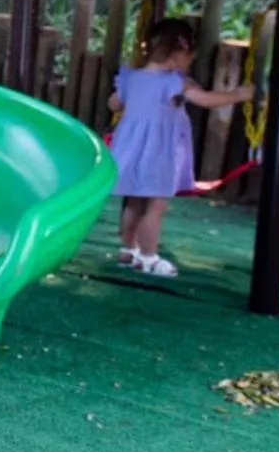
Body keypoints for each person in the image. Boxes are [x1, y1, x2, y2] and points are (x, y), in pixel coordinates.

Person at [106, 17, 254, 278]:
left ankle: (129, 250)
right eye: (189, 58)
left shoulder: (131, 77)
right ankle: (149, 257)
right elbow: (206, 100)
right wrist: (239, 95)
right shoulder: (173, 83)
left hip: (129, 149)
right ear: (178, 55)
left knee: (134, 202)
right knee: (156, 205)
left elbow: (114, 104)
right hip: (157, 152)